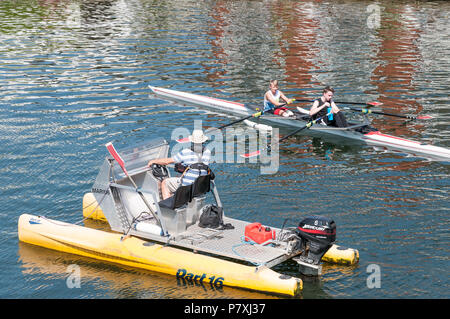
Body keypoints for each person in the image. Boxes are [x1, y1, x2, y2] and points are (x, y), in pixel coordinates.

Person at [147, 129, 211, 200]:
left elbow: (167, 161)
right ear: (203, 141)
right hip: (199, 186)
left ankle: (168, 206)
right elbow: (197, 165)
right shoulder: (207, 152)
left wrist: (153, 161)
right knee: (178, 177)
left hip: (188, 187)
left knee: (165, 183)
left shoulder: (186, 152)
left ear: (192, 141)